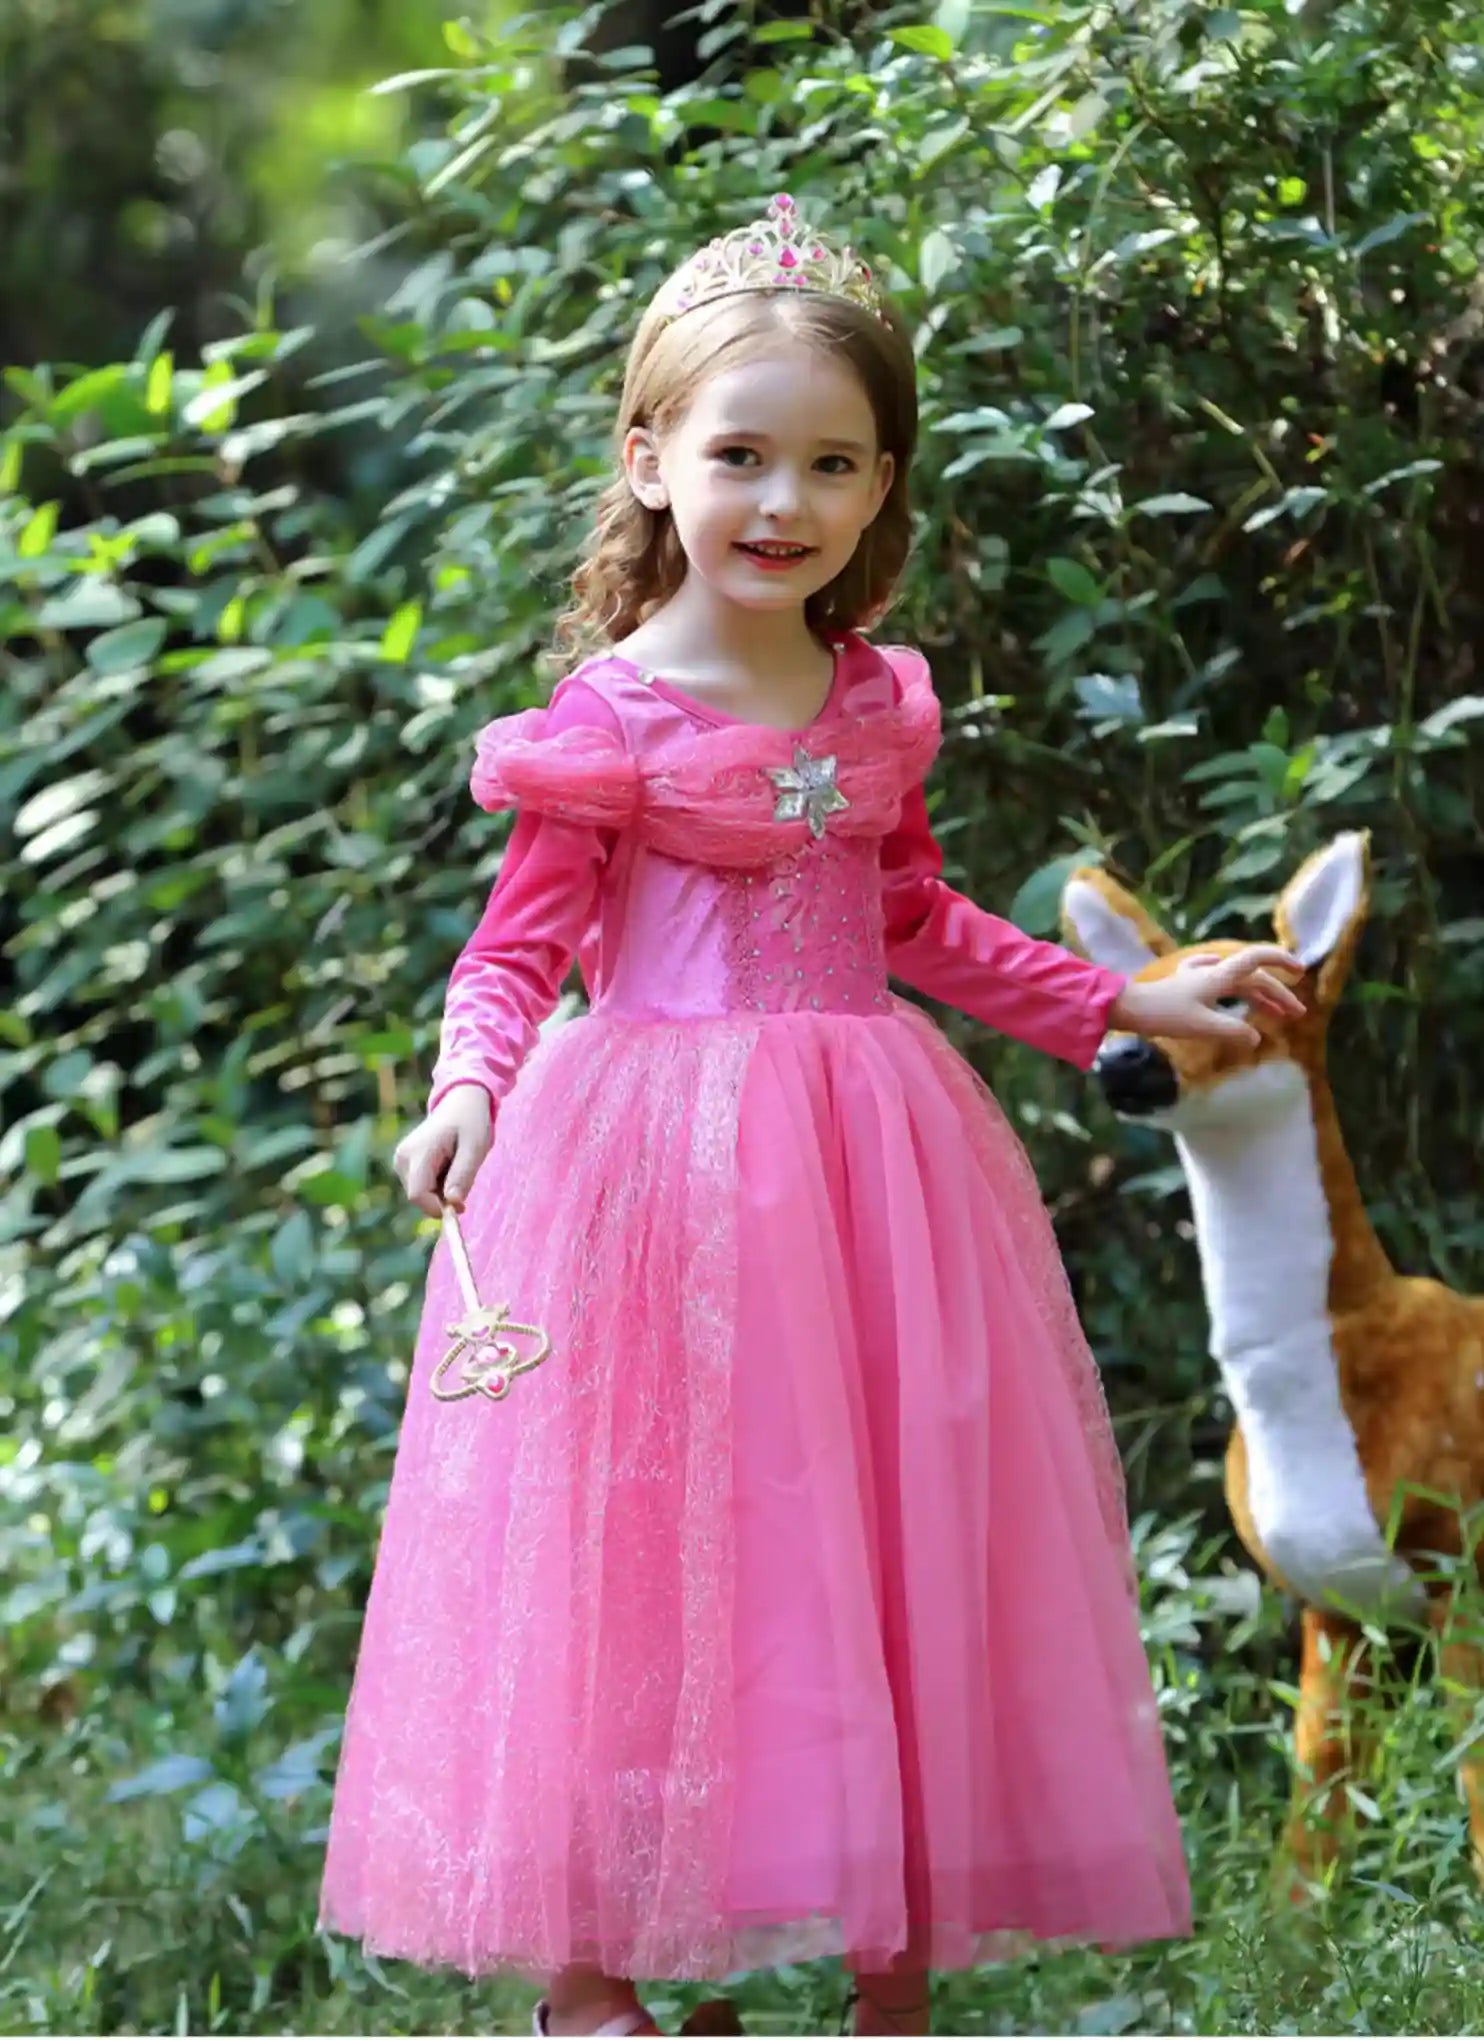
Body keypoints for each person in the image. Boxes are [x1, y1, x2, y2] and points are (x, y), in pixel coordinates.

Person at [319, 195, 1302, 2037]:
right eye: (741, 456)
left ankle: (885, 1975)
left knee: (880, 1523)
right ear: (652, 460)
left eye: (830, 465)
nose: (782, 503)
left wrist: (1116, 1000)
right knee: (636, 1544)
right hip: (647, 1176)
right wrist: (466, 1096)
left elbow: (914, 917)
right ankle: (594, 1978)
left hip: (869, 1171)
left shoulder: (878, 704)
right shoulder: (604, 719)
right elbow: (514, 951)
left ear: (880, 487)